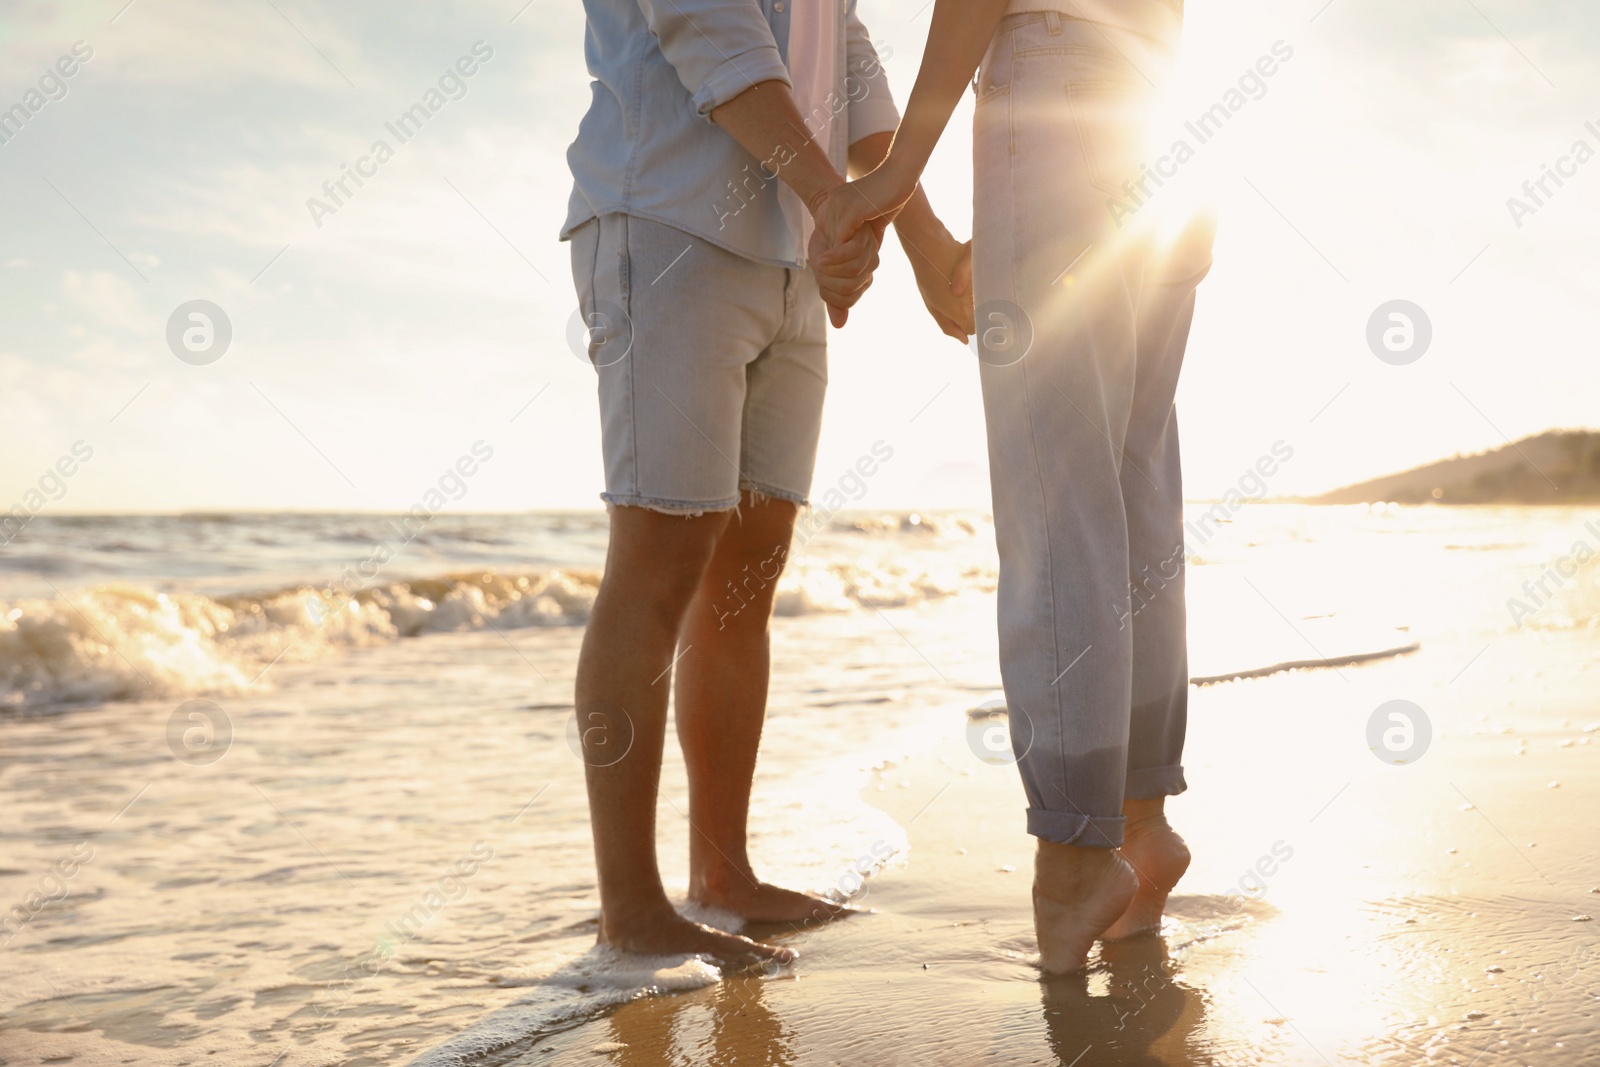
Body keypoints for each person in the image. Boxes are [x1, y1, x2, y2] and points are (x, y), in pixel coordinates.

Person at [561, 0, 974, 966]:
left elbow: (848, 55)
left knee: (750, 568)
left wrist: (919, 239)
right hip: (665, 217)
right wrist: (838, 199)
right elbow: (706, 23)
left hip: (791, 244)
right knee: (659, 554)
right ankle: (632, 912)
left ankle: (723, 875)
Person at [820, 0, 1214, 972]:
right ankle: (1138, 821)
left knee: (1056, 490)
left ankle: (1079, 857)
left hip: (1055, 97)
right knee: (1132, 485)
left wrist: (899, 166)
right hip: (1160, 108)